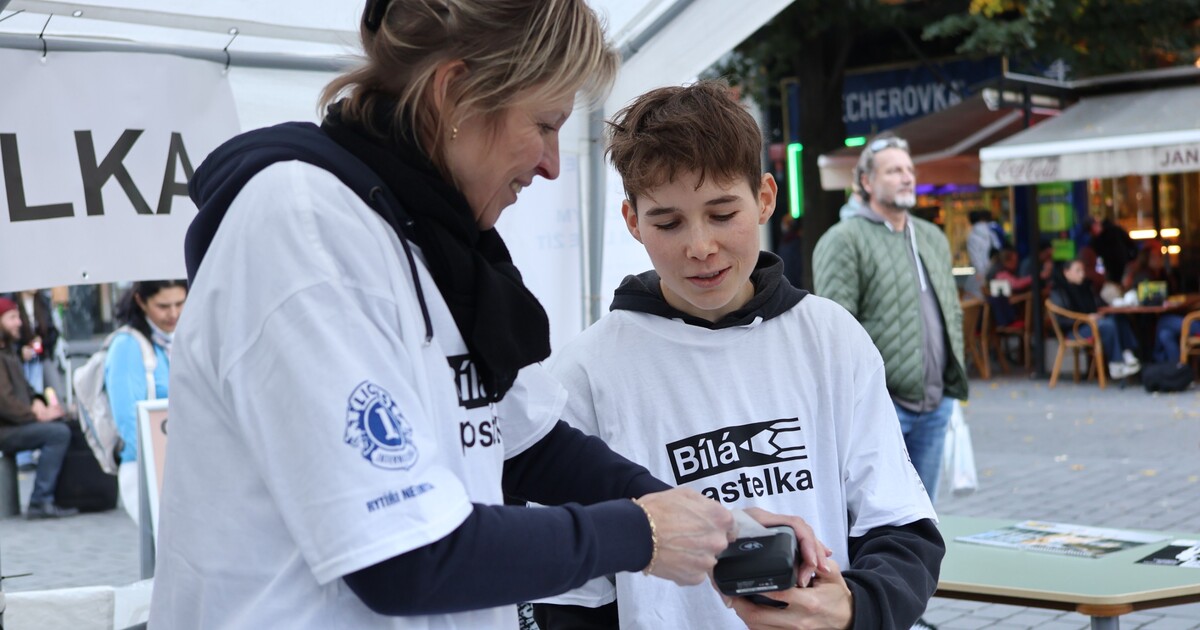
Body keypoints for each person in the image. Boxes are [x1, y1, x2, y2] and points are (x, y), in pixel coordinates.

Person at [149, 2, 750, 628]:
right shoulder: (304, 226)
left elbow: (527, 445)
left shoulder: (429, 237)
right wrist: (641, 533)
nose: (552, 164)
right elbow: (404, 559)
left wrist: (710, 521)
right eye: (545, 125)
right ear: (456, 92)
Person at [535, 81, 943, 630]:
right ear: (632, 221)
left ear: (765, 198)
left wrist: (855, 607)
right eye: (668, 222)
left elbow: (901, 526)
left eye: (723, 214)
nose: (700, 246)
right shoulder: (586, 372)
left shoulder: (830, 339)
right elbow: (571, 598)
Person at [813, 133, 968, 509]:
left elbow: (950, 309)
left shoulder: (931, 236)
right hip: (882, 407)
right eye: (894, 170)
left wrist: (950, 388)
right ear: (866, 182)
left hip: (935, 404)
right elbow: (836, 332)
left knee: (922, 516)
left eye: (910, 170)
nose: (907, 177)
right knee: (879, 518)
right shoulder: (843, 240)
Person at [104, 280, 187, 524]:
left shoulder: (178, 340)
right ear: (141, 301)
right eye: (163, 306)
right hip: (147, 467)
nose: (173, 313)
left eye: (180, 303)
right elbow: (129, 420)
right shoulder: (127, 346)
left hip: (183, 465)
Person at [0, 297, 78, 519]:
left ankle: (64, 494)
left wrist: (38, 401)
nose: (19, 323)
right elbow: (4, 403)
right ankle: (40, 500)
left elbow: (26, 389)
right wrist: (36, 414)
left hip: (16, 422)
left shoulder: (9, 352)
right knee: (57, 434)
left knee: (63, 425)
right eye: (12, 317)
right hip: (6, 429)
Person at [1049, 259, 1141, 379]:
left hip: (1092, 324)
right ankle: (1116, 362)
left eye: (1082, 270)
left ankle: (1127, 353)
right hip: (1075, 330)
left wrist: (1114, 306)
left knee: (1118, 318)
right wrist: (1087, 318)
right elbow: (1062, 319)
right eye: (1078, 270)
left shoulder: (1086, 287)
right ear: (1066, 272)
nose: (1082, 274)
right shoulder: (1059, 291)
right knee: (1106, 325)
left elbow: (1099, 304)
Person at [964, 209, 1001, 300]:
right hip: (994, 269)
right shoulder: (992, 231)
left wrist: (980, 271)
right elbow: (998, 247)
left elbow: (975, 256)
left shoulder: (972, 236)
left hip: (981, 272)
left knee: (975, 295)